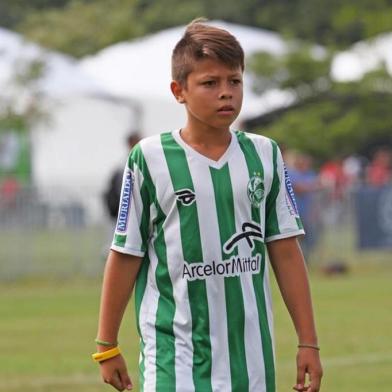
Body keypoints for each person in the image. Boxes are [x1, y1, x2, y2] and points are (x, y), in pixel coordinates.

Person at [92, 19, 323, 392]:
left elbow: (285, 249)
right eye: (210, 83)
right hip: (173, 355)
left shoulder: (264, 154)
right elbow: (125, 253)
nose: (226, 93)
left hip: (250, 360)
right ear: (178, 91)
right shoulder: (149, 159)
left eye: (234, 81)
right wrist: (106, 345)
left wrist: (307, 341)